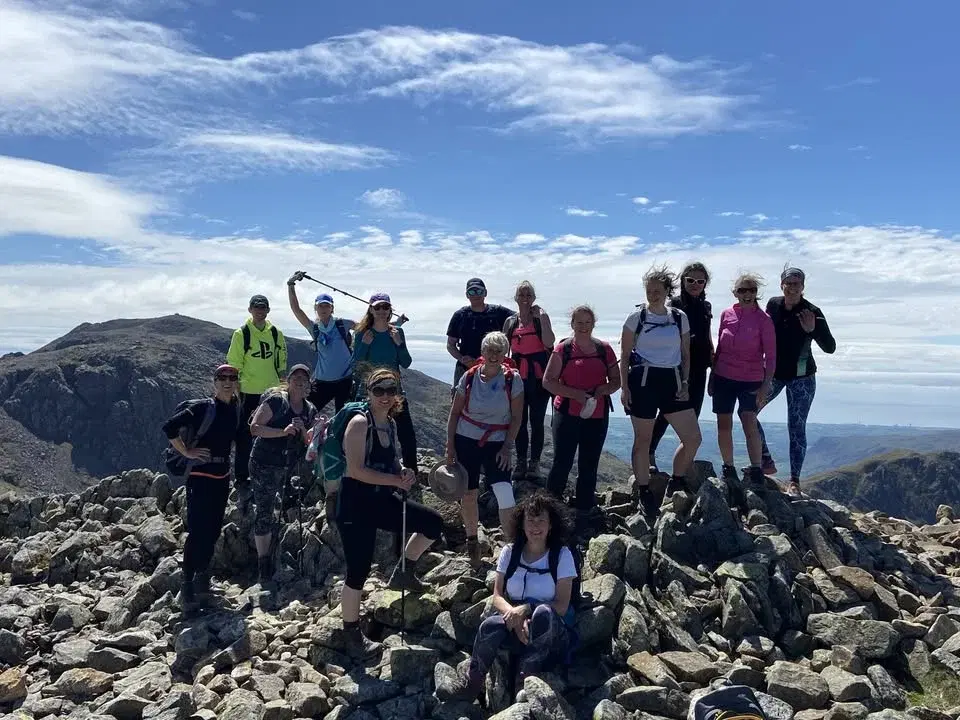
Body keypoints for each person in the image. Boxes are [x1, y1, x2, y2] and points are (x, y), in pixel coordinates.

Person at [336, 369, 444, 656]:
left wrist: (403, 472)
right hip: (355, 504)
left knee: (433, 523)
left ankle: (404, 572)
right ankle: (351, 634)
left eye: (390, 390)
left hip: (380, 500)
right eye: (379, 390)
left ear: (397, 394)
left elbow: (391, 462)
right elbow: (356, 470)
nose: (385, 396)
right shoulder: (360, 423)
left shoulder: (390, 424)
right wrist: (395, 480)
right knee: (358, 570)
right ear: (369, 392)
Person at [436, 490, 575, 702]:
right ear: (522, 524)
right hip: (517, 625)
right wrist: (514, 616)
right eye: (530, 520)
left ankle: (525, 682)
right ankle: (471, 684)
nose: (535, 526)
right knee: (490, 625)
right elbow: (497, 595)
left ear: (551, 525)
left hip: (551, 634)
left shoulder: (562, 555)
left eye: (541, 520)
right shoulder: (510, 552)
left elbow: (562, 606)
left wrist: (525, 609)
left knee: (544, 613)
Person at [620, 266, 703, 517]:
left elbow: (686, 354)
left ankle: (677, 480)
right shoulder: (636, 317)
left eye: (658, 290)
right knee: (643, 441)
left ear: (667, 291)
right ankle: (644, 491)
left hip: (672, 380)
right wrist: (624, 388)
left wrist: (685, 383)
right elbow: (624, 356)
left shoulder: (679, 317)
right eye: (649, 290)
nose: (653, 294)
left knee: (693, 438)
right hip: (643, 380)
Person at [162, 364, 241, 609]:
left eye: (232, 378)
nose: (227, 382)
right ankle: (187, 585)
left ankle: (202, 580)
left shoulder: (235, 409)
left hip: (222, 477)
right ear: (214, 382)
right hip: (200, 476)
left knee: (213, 530)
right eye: (222, 378)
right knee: (198, 531)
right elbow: (169, 427)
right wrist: (187, 452)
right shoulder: (203, 408)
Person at [446, 331, 524, 566]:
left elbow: (517, 417)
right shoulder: (469, 377)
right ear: (482, 351)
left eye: (499, 351)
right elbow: (454, 413)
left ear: (505, 354)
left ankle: (514, 547)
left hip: (497, 443)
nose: (493, 355)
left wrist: (507, 447)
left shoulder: (512, 380)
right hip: (466, 439)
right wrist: (450, 446)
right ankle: (472, 542)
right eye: (489, 350)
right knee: (468, 493)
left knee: (504, 492)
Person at [757, 267, 836, 497]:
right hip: (773, 374)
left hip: (802, 378)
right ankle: (764, 458)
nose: (792, 288)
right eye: (788, 283)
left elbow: (830, 347)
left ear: (803, 287)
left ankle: (794, 482)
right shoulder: (773, 305)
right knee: (748, 411)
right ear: (781, 285)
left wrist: (813, 330)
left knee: (796, 427)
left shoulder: (812, 312)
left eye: (796, 284)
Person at [542, 306, 620, 520]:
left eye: (587, 322)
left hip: (597, 414)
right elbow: (548, 382)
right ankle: (550, 511)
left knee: (589, 463)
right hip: (567, 413)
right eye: (579, 322)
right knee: (562, 462)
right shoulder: (563, 349)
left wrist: (602, 390)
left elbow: (616, 381)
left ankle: (584, 512)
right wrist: (575, 394)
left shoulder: (604, 349)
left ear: (593, 324)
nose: (583, 327)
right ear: (572, 324)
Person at [248, 363, 317, 584]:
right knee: (265, 511)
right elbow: (255, 428)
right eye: (296, 378)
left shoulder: (310, 410)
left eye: (304, 379)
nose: (300, 382)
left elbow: (309, 442)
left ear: (309, 384)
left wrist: (304, 430)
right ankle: (263, 563)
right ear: (289, 381)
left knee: (284, 505)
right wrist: (283, 432)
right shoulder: (276, 402)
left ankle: (277, 552)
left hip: (288, 466)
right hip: (264, 463)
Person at [710, 273, 776, 487]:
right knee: (723, 423)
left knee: (749, 423)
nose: (747, 294)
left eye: (752, 290)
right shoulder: (726, 314)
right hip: (723, 376)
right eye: (742, 290)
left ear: (757, 293)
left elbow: (771, 356)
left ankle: (756, 469)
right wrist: (712, 376)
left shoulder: (764, 320)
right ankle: (728, 468)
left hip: (751, 379)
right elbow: (720, 348)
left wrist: (766, 386)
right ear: (735, 293)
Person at [649, 262, 714, 472]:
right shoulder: (674, 305)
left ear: (705, 284)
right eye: (690, 280)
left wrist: (713, 364)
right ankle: (649, 451)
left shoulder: (706, 306)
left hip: (700, 367)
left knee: (693, 415)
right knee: (668, 412)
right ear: (683, 281)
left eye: (700, 281)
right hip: (677, 367)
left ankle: (684, 463)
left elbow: (707, 336)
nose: (695, 284)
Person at [226, 294, 288, 505]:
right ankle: (242, 478)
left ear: (268, 310)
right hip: (249, 393)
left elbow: (281, 363)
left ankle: (272, 474)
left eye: (263, 307)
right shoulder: (242, 333)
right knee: (245, 436)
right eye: (256, 307)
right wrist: (235, 392)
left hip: (272, 393)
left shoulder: (276, 333)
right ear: (250, 309)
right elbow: (234, 365)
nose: (260, 311)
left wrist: (282, 386)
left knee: (272, 434)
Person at [352, 292, 418, 474]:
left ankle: (411, 474)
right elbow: (355, 365)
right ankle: (364, 472)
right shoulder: (362, 333)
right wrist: (364, 344)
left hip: (394, 391)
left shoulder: (397, 333)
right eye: (377, 307)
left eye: (385, 307)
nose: (382, 310)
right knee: (366, 432)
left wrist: (399, 344)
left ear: (390, 310)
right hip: (369, 393)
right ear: (371, 310)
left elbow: (406, 362)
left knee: (406, 434)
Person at [504, 280, 555, 482]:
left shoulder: (540, 319)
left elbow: (549, 342)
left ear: (534, 298)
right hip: (517, 377)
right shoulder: (510, 322)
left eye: (528, 295)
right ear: (516, 298)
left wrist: (542, 316)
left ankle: (534, 463)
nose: (525, 299)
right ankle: (521, 462)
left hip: (539, 377)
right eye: (522, 295)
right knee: (519, 420)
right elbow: (505, 350)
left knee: (537, 421)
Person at [287, 270, 356, 413]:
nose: (323, 309)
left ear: (332, 308)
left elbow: (368, 326)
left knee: (344, 418)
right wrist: (291, 284)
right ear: (315, 308)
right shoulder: (314, 328)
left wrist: (394, 323)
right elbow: (296, 309)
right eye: (320, 306)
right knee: (306, 413)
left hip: (345, 381)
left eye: (327, 306)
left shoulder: (343, 323)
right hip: (322, 382)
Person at [447, 278, 514, 398]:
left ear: (485, 293)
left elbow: (519, 318)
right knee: (460, 402)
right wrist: (462, 358)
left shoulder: (498, 312)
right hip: (465, 368)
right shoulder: (460, 315)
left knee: (495, 402)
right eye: (472, 291)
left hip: (494, 367)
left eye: (479, 291)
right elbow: (450, 345)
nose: (476, 295)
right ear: (467, 295)